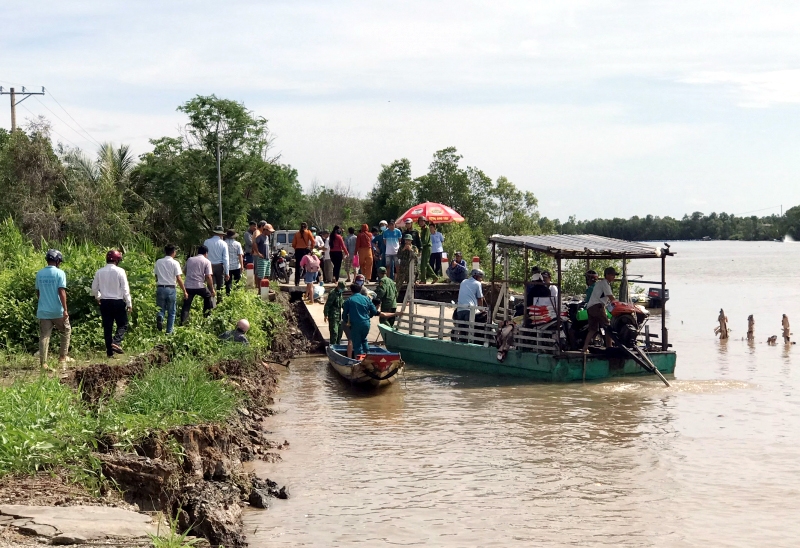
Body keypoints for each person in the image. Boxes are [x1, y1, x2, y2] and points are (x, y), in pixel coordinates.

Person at [91, 250, 131, 358]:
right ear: (117, 260)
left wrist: (98, 297)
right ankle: (116, 342)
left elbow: (94, 288)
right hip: (117, 301)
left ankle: (109, 353)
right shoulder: (120, 271)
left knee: (107, 327)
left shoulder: (99, 272)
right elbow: (125, 289)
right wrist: (129, 303)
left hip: (105, 302)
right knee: (123, 324)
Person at [35, 249, 70, 369]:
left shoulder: (39, 273)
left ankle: (43, 363)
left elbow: (38, 292)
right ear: (57, 261)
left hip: (43, 310)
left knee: (45, 336)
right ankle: (62, 357)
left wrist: (43, 303)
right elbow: (61, 291)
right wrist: (65, 309)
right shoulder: (60, 273)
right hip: (57, 310)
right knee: (66, 330)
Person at [582, 266, 618, 352]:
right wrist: (619, 304)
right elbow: (611, 297)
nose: (614, 277)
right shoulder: (605, 283)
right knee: (608, 326)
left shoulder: (599, 283)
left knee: (593, 329)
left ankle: (585, 347)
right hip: (597, 307)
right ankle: (609, 347)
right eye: (613, 275)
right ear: (607, 275)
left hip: (590, 308)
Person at [154, 244, 187, 334]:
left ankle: (160, 317)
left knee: (160, 308)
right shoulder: (175, 263)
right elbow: (179, 278)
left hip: (160, 288)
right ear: (173, 252)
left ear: (165, 252)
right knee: (172, 311)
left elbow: (156, 276)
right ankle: (169, 332)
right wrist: (184, 291)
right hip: (171, 289)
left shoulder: (158, 262)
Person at [181, 245, 216, 325]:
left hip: (188, 286)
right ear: (206, 253)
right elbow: (208, 276)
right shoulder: (206, 261)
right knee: (208, 296)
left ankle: (183, 322)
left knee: (186, 305)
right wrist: (212, 289)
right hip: (200, 286)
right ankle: (206, 318)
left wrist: (189, 278)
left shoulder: (190, 259)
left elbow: (184, 271)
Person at [343, 282, 379, 357]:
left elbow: (344, 315)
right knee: (364, 340)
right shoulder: (367, 299)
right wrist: (369, 316)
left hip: (356, 325)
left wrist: (347, 322)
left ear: (351, 291)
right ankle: (369, 357)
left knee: (357, 344)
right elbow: (374, 311)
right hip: (366, 324)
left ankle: (359, 362)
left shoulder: (349, 301)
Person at [453, 269, 485, 341]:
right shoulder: (477, 284)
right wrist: (481, 309)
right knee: (469, 331)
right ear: (476, 276)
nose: (481, 279)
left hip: (460, 309)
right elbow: (480, 298)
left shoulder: (463, 282)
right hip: (470, 310)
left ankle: (460, 344)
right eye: (480, 277)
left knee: (462, 331)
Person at [203, 226, 230, 298]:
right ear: (221, 234)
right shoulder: (223, 244)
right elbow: (226, 259)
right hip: (219, 266)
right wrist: (227, 272)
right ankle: (219, 302)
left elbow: (204, 256)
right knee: (220, 286)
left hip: (209, 266)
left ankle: (210, 303)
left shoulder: (206, 242)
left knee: (210, 285)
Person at [292, 222, 315, 287]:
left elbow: (293, 244)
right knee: (307, 266)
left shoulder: (297, 234)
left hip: (298, 251)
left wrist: (296, 248)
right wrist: (311, 248)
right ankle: (308, 281)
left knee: (298, 266)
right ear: (306, 227)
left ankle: (297, 282)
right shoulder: (308, 232)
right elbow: (313, 241)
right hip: (305, 250)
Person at [417, 216, 438, 284]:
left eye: (422, 221)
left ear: (424, 222)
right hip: (425, 247)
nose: (421, 222)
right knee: (426, 263)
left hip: (427, 247)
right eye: (420, 221)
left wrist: (419, 244)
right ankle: (435, 277)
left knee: (423, 264)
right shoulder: (422, 229)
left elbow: (425, 241)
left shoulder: (426, 229)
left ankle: (423, 280)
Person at [253, 221, 274, 289]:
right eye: (269, 231)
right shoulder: (260, 237)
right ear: (265, 230)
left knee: (267, 274)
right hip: (262, 259)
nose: (270, 233)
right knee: (261, 275)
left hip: (267, 259)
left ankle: (266, 288)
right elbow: (254, 244)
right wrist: (258, 253)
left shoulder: (267, 237)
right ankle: (260, 290)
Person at [225, 229, 244, 295]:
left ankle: (228, 294)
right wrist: (242, 266)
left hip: (227, 266)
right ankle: (236, 294)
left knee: (228, 282)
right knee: (237, 282)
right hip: (236, 265)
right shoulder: (237, 244)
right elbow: (240, 255)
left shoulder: (224, 243)